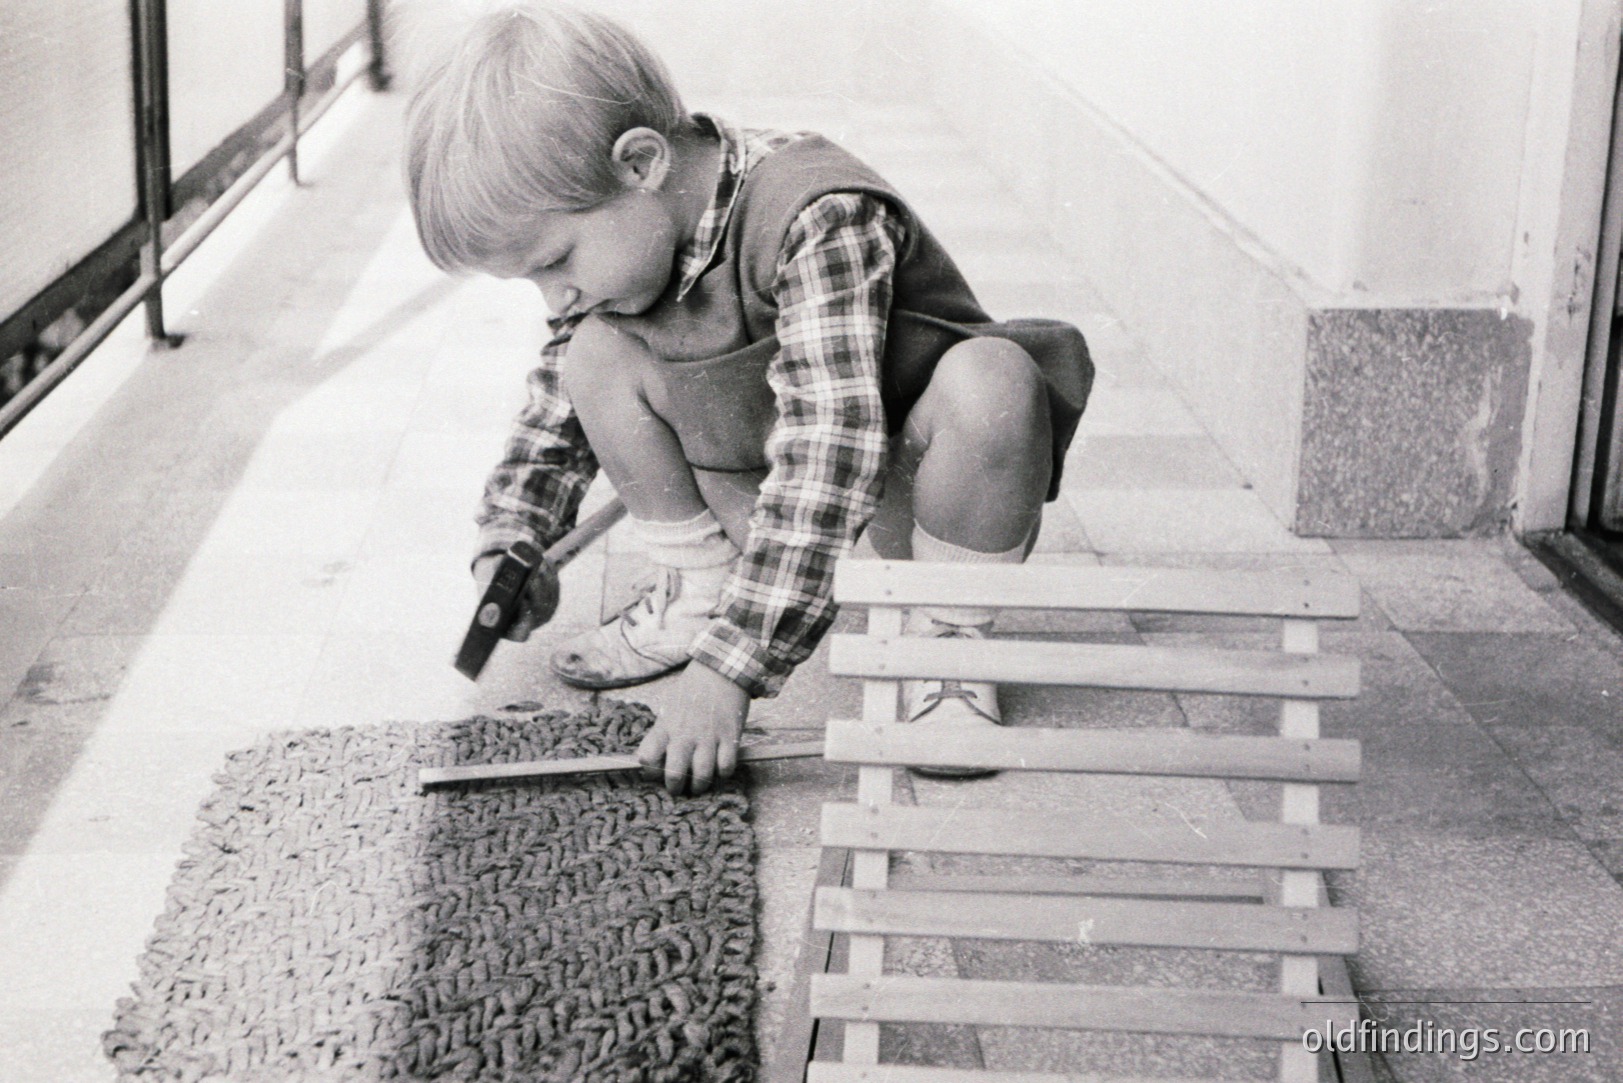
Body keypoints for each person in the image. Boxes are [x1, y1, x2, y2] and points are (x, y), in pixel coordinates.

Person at [405, 2, 1092, 795]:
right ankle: (700, 594)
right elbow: (556, 411)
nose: (553, 298)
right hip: (768, 503)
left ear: (639, 164)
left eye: (554, 261)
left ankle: (945, 645)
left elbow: (829, 449)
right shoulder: (622, 255)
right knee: (591, 353)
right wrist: (514, 531)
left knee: (993, 379)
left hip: (901, 496)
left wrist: (732, 670)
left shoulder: (821, 214)